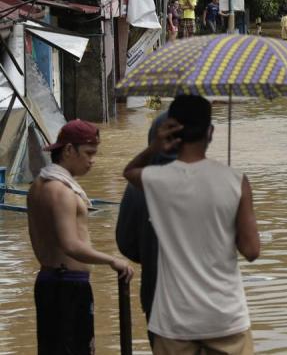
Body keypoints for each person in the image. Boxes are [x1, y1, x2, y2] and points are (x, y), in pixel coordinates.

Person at [122, 95, 260, 354]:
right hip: (226, 318)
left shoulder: (157, 180)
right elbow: (251, 251)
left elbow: (129, 172)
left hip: (174, 320)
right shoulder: (236, 181)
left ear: (173, 130)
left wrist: (154, 147)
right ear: (210, 132)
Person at [27, 119, 134, 355]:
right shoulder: (61, 191)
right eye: (88, 153)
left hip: (50, 281)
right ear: (68, 150)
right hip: (67, 286)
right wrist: (111, 260)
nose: (92, 160)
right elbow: (70, 244)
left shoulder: (37, 185)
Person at [116, 114, 176, 347]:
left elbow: (126, 243)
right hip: (209, 305)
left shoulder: (136, 186)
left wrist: (151, 253)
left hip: (158, 300)